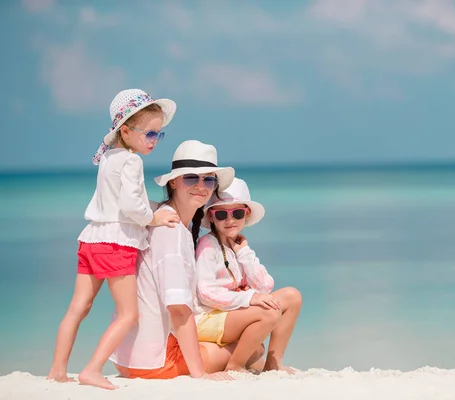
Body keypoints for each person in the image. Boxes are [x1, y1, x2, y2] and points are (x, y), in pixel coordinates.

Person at [46, 89, 179, 390]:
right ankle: (92, 369)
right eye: (150, 133)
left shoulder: (109, 157)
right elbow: (132, 206)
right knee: (129, 315)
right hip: (116, 242)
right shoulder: (131, 161)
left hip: (91, 238)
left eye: (160, 134)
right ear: (126, 130)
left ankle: (57, 369)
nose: (154, 140)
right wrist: (154, 218)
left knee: (78, 307)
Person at [110, 140, 261, 380]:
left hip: (130, 357)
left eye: (208, 180)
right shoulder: (170, 230)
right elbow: (179, 309)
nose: (201, 186)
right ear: (174, 182)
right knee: (254, 350)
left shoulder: (161, 217)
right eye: (191, 178)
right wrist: (199, 374)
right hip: (155, 362)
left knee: (246, 344)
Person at [195, 177, 303, 373]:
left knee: (292, 296)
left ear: (246, 214)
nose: (230, 220)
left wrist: (244, 252)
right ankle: (234, 366)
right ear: (211, 217)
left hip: (229, 313)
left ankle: (273, 363)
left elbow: (265, 286)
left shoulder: (238, 246)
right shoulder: (207, 246)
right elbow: (205, 293)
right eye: (221, 214)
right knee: (269, 311)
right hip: (207, 317)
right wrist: (249, 298)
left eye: (237, 213)